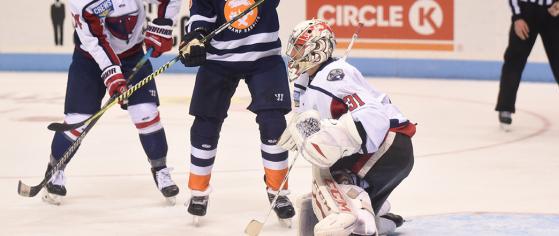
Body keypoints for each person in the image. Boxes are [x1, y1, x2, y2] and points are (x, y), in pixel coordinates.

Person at [277, 19, 416, 235]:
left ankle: (357, 225)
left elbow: (373, 116)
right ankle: (378, 218)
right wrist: (305, 134)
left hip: (388, 145)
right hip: (387, 148)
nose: (293, 54)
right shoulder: (309, 83)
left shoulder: (334, 77)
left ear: (317, 49)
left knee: (330, 180)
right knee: (322, 194)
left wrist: (336, 137)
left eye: (299, 48)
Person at [43, 0, 181, 205]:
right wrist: (114, 76)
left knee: (146, 114)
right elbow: (96, 42)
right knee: (78, 121)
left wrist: (163, 24)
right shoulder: (82, 3)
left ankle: (160, 169)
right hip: (89, 59)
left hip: (133, 56)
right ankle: (55, 169)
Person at [178, 0, 295, 225]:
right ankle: (198, 192)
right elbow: (201, 13)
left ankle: (278, 190)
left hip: (264, 59)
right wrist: (196, 36)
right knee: (206, 122)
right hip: (218, 61)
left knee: (273, 122)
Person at [496, 0, 559, 132]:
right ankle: (505, 108)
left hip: (553, 13)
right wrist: (517, 16)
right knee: (514, 61)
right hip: (526, 12)